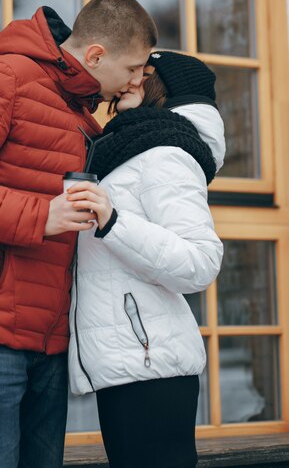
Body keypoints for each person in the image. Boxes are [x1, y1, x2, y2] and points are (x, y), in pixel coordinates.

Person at [0, 0, 157, 468]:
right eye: (134, 69)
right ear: (97, 56)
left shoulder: (80, 113)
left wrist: (133, 115)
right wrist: (42, 216)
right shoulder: (1, 78)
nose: (137, 80)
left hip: (51, 338)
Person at [67, 51, 226, 468]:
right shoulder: (133, 146)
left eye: (144, 74)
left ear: (164, 90)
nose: (130, 80)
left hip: (151, 367)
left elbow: (201, 261)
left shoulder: (166, 154)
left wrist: (114, 221)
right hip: (131, 361)